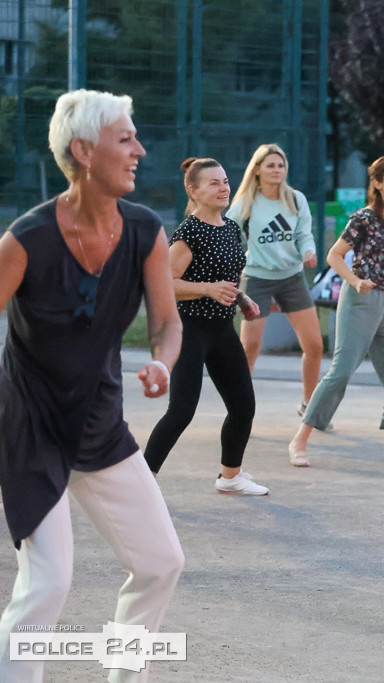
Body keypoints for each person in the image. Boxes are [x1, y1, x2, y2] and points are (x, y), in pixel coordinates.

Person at [0, 89, 185, 682]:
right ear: (83, 151)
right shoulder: (25, 241)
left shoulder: (144, 231)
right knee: (48, 583)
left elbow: (166, 322)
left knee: (161, 562)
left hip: (101, 426)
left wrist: (162, 361)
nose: (140, 149)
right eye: (125, 139)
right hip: (31, 431)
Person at [287, 156, 384, 467]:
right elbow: (335, 255)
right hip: (360, 300)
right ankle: (300, 440)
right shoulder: (363, 218)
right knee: (341, 372)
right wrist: (355, 280)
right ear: (377, 183)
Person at [143, 157, 269, 495]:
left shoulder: (230, 228)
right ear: (193, 191)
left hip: (222, 329)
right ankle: (139, 485)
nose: (224, 187)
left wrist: (239, 297)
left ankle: (230, 477)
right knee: (181, 411)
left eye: (225, 180)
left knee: (243, 407)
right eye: (213, 183)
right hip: (189, 330)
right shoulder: (190, 231)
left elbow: (220, 278)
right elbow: (165, 283)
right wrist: (208, 290)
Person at [226, 144, 323, 418]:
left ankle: (309, 406)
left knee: (314, 345)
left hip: (292, 277)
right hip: (257, 278)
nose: (276, 170)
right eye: (270, 165)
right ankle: (239, 408)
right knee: (250, 346)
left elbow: (304, 233)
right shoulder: (246, 201)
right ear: (257, 170)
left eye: (280, 165)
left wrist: (309, 252)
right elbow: (228, 232)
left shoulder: (295, 199)